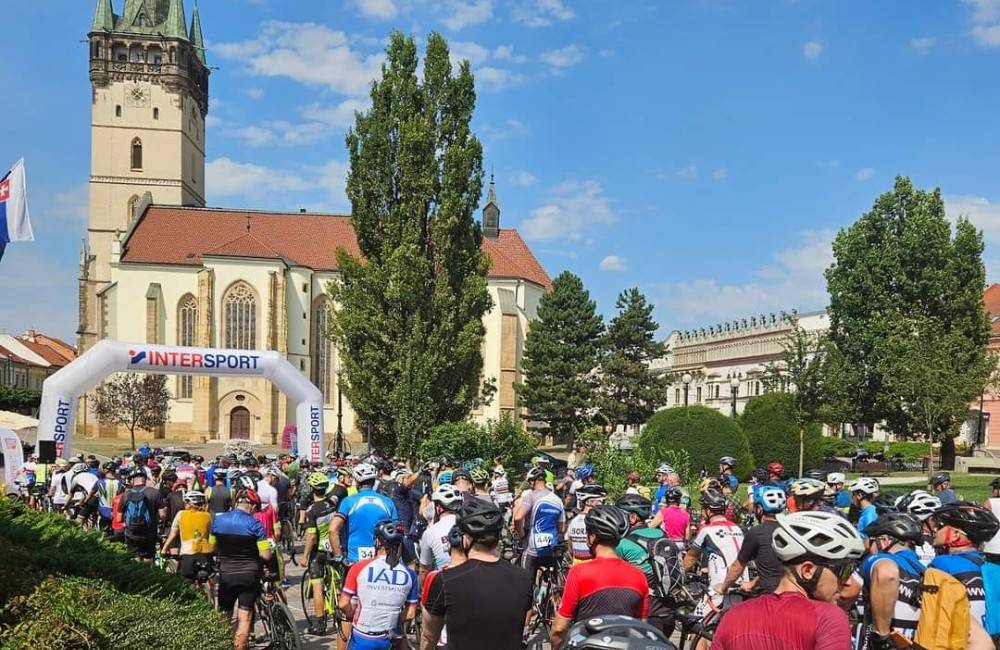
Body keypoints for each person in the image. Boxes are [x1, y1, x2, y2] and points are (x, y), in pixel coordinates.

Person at [712, 511, 865, 650]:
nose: (848, 581)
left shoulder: (732, 617)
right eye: (843, 570)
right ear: (807, 570)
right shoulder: (829, 619)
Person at [422, 498, 532, 650]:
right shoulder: (524, 577)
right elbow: (523, 627)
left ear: (466, 539)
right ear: (498, 536)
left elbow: (429, 636)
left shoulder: (445, 580)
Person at [550, 504, 649, 648]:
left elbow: (559, 628)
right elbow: (641, 626)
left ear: (593, 536)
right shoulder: (639, 575)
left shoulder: (579, 572)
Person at [339, 520, 418, 650]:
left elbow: (343, 604)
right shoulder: (410, 574)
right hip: (390, 638)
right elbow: (410, 613)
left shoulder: (359, 567)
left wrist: (352, 615)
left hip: (363, 636)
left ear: (377, 541)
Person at [853, 511, 926, 650]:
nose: (868, 545)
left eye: (872, 539)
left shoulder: (878, 560)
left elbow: (845, 594)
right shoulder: (924, 570)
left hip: (881, 642)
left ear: (885, 540)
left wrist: (882, 636)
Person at [210, 488, 272, 650]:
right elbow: (265, 555)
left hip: (226, 575)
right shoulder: (255, 524)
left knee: (225, 614)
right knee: (244, 618)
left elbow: (211, 548)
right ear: (251, 506)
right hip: (249, 575)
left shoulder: (217, 520)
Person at [928, 502, 1000, 628]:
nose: (935, 529)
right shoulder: (994, 569)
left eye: (940, 526)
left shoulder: (942, 563)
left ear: (956, 534)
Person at [615, 494, 676, 638]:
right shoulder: (662, 534)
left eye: (620, 516)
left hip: (645, 614)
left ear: (633, 517)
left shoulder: (623, 543)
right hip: (668, 609)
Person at [716, 484, 787, 596]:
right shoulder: (787, 530)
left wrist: (724, 588)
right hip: (790, 591)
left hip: (769, 595)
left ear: (759, 509)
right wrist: (753, 583)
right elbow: (773, 567)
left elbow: (737, 567)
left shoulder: (756, 532)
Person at [684, 490, 745, 615]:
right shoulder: (738, 528)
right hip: (742, 587)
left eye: (703, 509)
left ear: (708, 511)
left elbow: (690, 558)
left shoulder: (707, 530)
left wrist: (679, 574)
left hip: (721, 589)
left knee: (696, 624)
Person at [332, 463, 399, 565]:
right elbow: (397, 532)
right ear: (374, 482)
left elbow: (333, 529)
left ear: (357, 482)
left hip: (354, 560)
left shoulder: (348, 501)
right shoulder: (388, 502)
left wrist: (338, 556)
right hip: (382, 559)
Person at [514, 467, 566, 584]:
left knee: (525, 583)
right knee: (553, 582)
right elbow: (562, 528)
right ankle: (552, 598)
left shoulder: (531, 496)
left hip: (532, 547)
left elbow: (517, 518)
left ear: (533, 481)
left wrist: (522, 535)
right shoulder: (557, 499)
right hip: (551, 546)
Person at [302, 471, 339, 636]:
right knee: (337, 582)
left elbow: (311, 537)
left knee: (317, 587)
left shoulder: (312, 510)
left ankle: (319, 624)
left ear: (312, 488)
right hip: (334, 548)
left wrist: (304, 556)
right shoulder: (332, 503)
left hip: (319, 552)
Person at [161, 490, 215, 582]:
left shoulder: (181, 514)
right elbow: (212, 536)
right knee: (208, 580)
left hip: (187, 555)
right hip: (205, 555)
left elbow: (173, 534)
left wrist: (164, 549)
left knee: (185, 583)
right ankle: (210, 595)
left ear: (189, 502)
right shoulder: (208, 516)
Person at [118, 469, 163, 561]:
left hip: (131, 532)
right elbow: (162, 515)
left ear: (132, 480)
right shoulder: (155, 492)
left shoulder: (126, 494)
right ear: (145, 479)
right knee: (148, 558)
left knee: (134, 557)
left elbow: (119, 518)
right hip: (149, 532)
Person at [419, 484, 464, 575]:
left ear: (438, 508)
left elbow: (424, 569)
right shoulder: (469, 526)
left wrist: (423, 589)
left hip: (445, 581)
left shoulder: (430, 532)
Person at [895, 489, 942, 565]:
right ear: (929, 519)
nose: (938, 522)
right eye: (935, 518)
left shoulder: (896, 541)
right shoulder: (931, 543)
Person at [566, 483, 608, 564]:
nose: (602, 504)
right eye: (601, 501)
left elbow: (570, 549)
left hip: (577, 568)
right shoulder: (597, 521)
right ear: (590, 501)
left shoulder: (573, 522)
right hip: (594, 568)